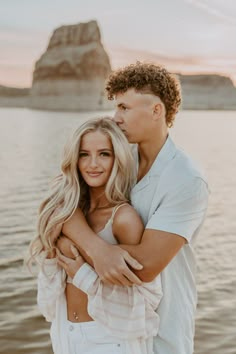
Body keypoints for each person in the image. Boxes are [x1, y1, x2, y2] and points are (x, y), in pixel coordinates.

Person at [55, 62, 209, 354]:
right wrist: (97, 249)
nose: (116, 118)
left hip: (162, 329)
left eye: (124, 108)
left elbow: (146, 265)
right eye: (116, 108)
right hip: (113, 323)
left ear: (156, 111)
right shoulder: (120, 157)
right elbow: (66, 202)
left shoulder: (187, 179)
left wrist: (78, 251)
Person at [27, 117, 163, 354]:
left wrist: (82, 275)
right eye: (83, 154)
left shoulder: (123, 218)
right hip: (64, 334)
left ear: (117, 158)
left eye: (104, 154)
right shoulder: (69, 212)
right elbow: (48, 302)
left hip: (110, 340)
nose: (93, 164)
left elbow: (144, 304)